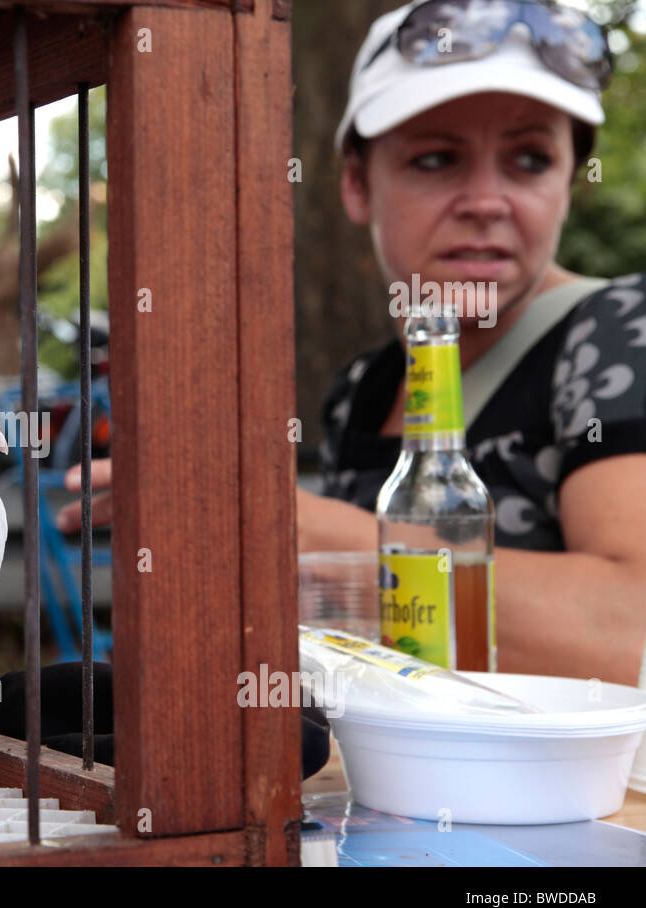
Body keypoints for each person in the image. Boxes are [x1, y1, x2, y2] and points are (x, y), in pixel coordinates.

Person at [61, 0, 646, 689]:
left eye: (529, 158)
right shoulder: (362, 388)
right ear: (355, 182)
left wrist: (284, 519)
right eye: (436, 158)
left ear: (570, 184)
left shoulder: (618, 332)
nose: (487, 200)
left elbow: (628, 628)